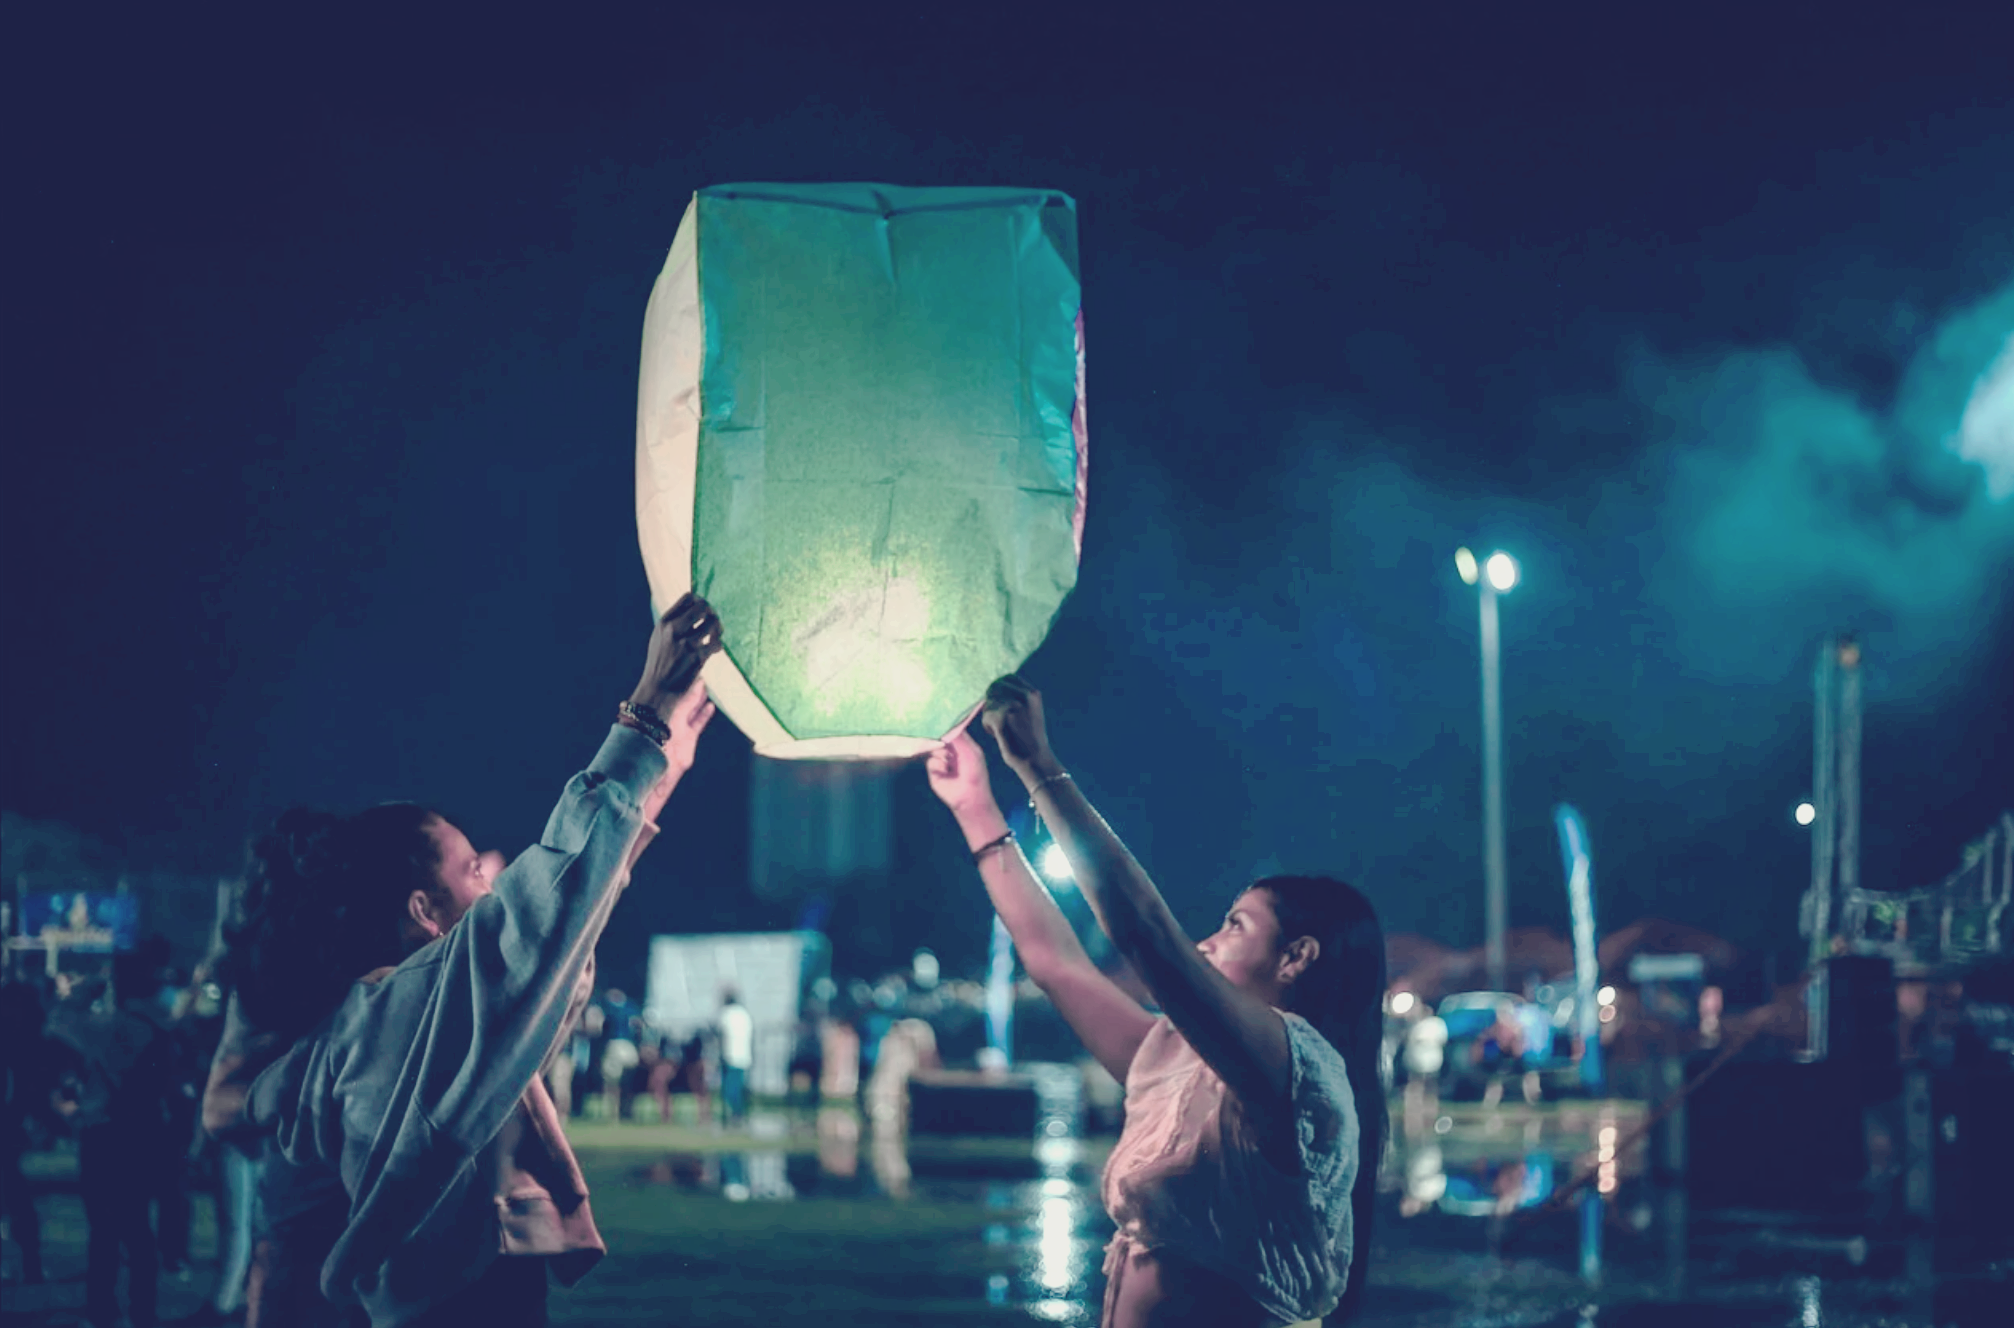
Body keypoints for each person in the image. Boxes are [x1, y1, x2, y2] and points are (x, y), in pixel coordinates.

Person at [219, 594, 720, 1327]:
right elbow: (546, 913)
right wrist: (642, 716)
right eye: (473, 872)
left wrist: (656, 774)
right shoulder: (406, 1011)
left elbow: (564, 935)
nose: (492, 883)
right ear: (424, 911)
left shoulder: (385, 1023)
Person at [925, 676, 1386, 1327]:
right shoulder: (1179, 1062)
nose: (1204, 944)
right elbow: (1057, 964)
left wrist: (1038, 765)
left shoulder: (1299, 1074)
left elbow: (1147, 933)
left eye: (1234, 926)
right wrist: (975, 806)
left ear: (1296, 958)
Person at [717, 988, 753, 1125]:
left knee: (730, 1089)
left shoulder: (726, 1014)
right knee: (738, 1086)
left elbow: (721, 1034)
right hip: (744, 1055)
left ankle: (736, 1114)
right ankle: (738, 1113)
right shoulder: (744, 1014)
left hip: (730, 1055)